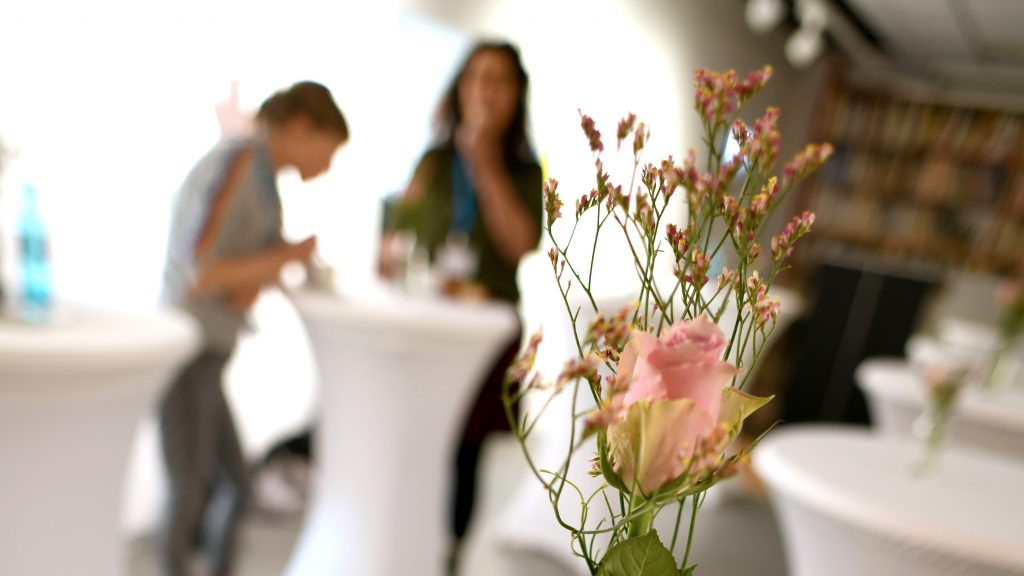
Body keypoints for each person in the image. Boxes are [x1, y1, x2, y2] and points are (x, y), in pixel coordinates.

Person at [160, 81, 348, 576]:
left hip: (210, 353)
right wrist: (284, 257)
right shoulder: (238, 163)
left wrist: (283, 259)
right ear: (302, 127)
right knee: (188, 493)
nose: (327, 165)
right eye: (327, 151)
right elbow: (201, 270)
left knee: (235, 486)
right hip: (188, 349)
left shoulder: (262, 176)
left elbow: (243, 265)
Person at [382, 41, 543, 553]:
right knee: (414, 441)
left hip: (485, 333)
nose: (484, 90)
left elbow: (520, 244)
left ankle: (449, 554)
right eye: (475, 77)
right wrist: (389, 246)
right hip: (430, 325)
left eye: (498, 80)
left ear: (517, 94)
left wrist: (486, 165)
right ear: (459, 88)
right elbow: (398, 234)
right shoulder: (434, 160)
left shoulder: (523, 170)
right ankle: (405, 545)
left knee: (466, 453)